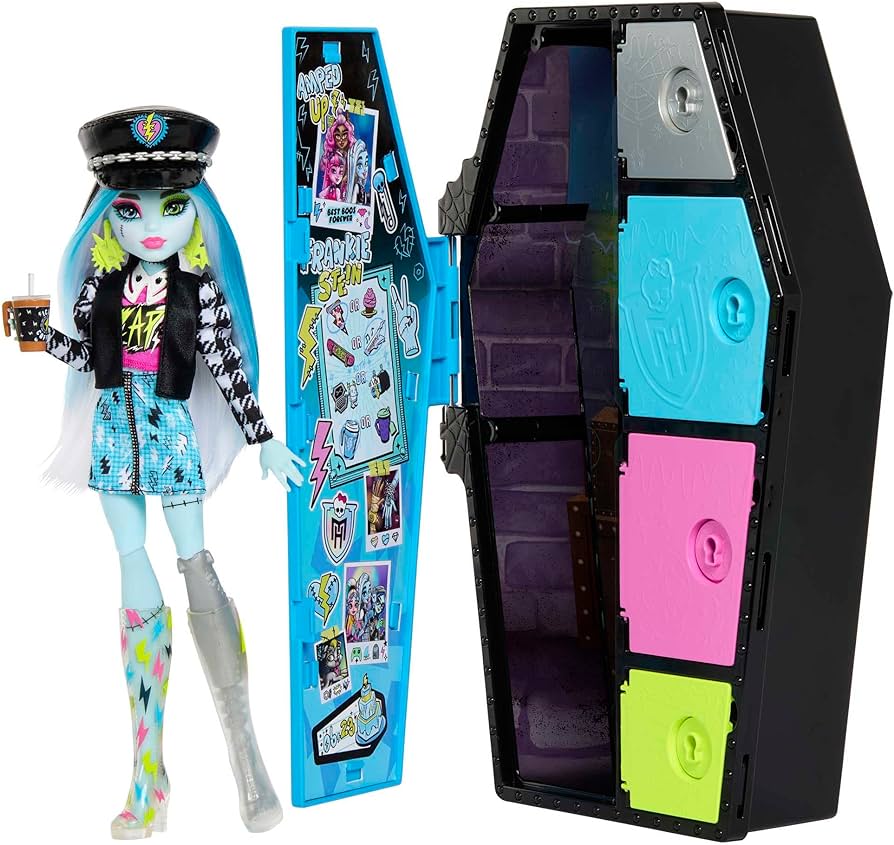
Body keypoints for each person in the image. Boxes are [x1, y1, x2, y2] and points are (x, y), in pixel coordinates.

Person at [40, 107, 303, 838]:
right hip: (113, 435)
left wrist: (262, 438)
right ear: (106, 216)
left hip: (170, 434)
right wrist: (42, 337)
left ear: (197, 211)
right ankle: (146, 775)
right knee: (132, 563)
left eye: (173, 206)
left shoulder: (200, 291)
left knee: (195, 564)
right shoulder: (101, 287)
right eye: (130, 209)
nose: (152, 225)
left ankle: (244, 751)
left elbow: (227, 366)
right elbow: (85, 358)